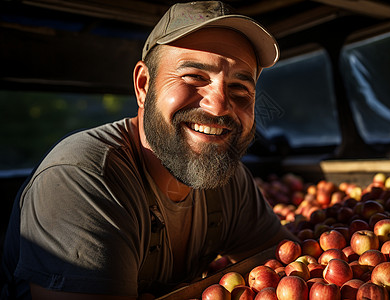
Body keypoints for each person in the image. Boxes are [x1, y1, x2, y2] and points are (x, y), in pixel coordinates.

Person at [1, 1, 298, 299]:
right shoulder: (82, 180)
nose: (220, 105)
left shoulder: (228, 180)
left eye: (240, 88)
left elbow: (288, 265)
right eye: (194, 76)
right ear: (144, 85)